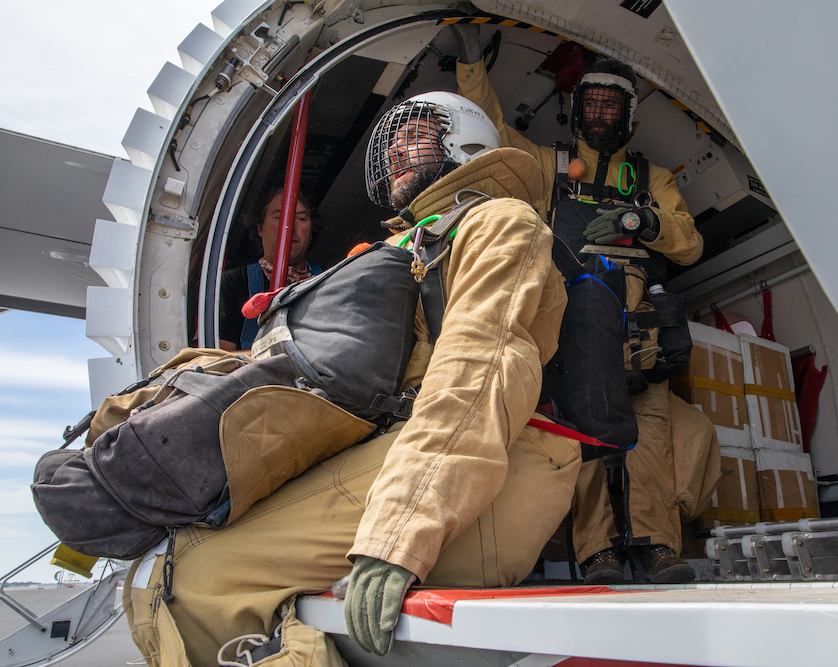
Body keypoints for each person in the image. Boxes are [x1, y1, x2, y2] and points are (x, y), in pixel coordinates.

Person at [123, 92, 580, 665]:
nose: (396, 155)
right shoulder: (408, 243)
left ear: (466, 144)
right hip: (406, 454)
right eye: (391, 144)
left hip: (488, 471)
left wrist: (398, 534)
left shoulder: (499, 222)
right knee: (170, 556)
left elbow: (479, 373)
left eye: (415, 138)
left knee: (192, 576)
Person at [452, 27, 721, 585]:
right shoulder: (552, 168)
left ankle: (658, 548)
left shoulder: (653, 178)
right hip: (576, 323)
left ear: (629, 117)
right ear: (577, 110)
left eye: (611, 104)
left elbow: (690, 243)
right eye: (592, 102)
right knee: (587, 432)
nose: (600, 112)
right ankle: (597, 550)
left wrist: (641, 220)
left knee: (649, 437)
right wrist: (472, 68)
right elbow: (495, 138)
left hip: (639, 327)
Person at [218, 186, 323, 351]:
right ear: (259, 227)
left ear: (311, 231)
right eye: (280, 217)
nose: (290, 228)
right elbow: (220, 359)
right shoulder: (234, 283)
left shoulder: (330, 280)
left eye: (301, 218)